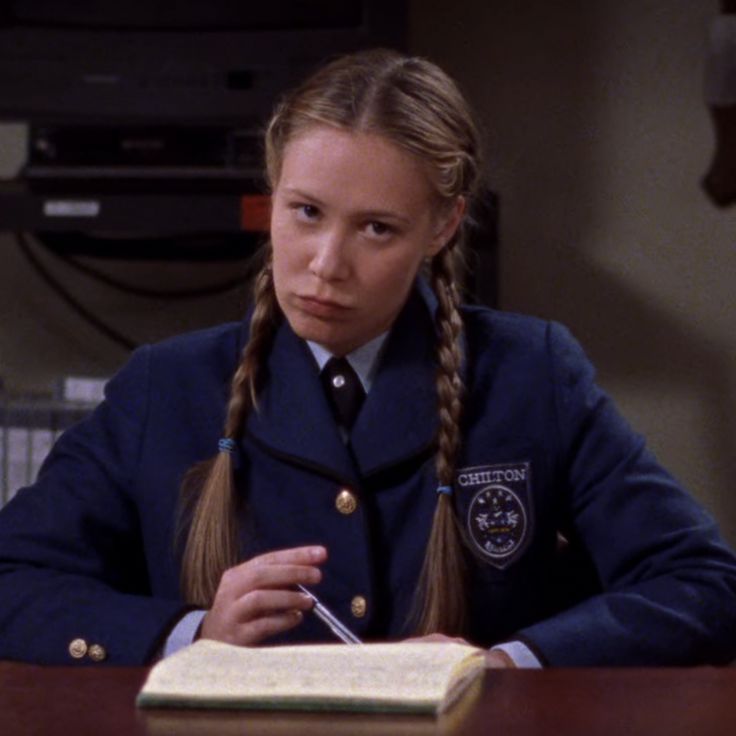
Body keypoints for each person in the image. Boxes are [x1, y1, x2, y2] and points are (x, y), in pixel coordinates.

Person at [1, 48, 735, 668]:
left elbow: (703, 584)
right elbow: (13, 578)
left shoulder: (531, 373)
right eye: (306, 212)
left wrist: (508, 665)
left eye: (377, 229)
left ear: (444, 225)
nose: (326, 264)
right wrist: (193, 635)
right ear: (273, 190)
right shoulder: (165, 387)